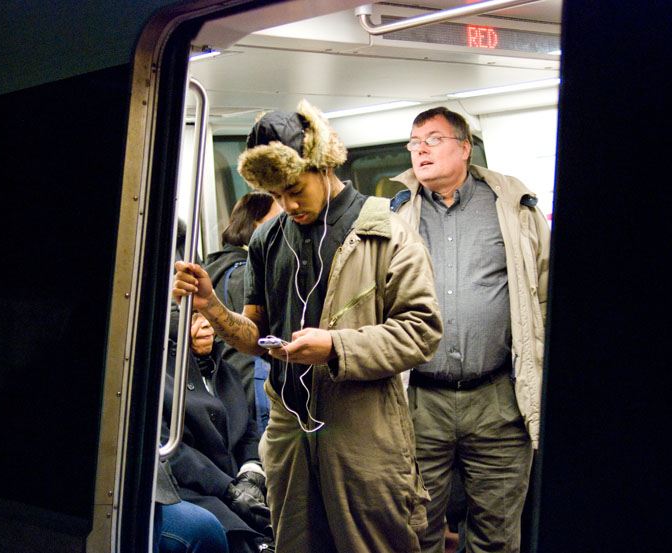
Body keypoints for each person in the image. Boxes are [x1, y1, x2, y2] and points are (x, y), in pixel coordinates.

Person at [172, 99, 443, 553]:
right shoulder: (267, 238)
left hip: (362, 431)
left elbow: (421, 331)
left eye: (296, 188)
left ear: (324, 164)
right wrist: (213, 306)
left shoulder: (386, 232)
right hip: (289, 433)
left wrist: (336, 346)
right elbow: (256, 338)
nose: (288, 203)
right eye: (276, 195)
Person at [389, 106, 550, 553]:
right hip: (419, 400)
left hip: (498, 399)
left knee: (497, 534)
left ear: (464, 147)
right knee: (415, 529)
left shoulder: (513, 208)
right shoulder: (395, 214)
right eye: (413, 142)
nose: (419, 149)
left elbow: (544, 292)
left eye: (432, 139)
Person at [162, 312, 273, 553]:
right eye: (193, 318)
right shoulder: (156, 374)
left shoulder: (228, 372)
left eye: (208, 317)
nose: (206, 327)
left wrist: (251, 474)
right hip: (186, 490)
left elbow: (248, 432)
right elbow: (169, 450)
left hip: (237, 490)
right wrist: (228, 489)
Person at [203, 193, 281, 435]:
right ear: (257, 226)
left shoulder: (214, 268)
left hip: (225, 384)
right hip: (255, 384)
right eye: (278, 221)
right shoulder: (248, 273)